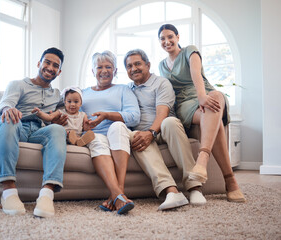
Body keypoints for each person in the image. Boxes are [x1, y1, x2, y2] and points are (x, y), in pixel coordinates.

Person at [157, 23, 245, 202]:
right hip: (184, 105)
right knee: (214, 118)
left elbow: (196, 73)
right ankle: (230, 181)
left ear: (178, 37)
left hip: (202, 93)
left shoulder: (190, 51)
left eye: (170, 37)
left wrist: (202, 96)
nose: (167, 41)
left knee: (215, 99)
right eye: (162, 39)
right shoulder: (162, 65)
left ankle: (202, 160)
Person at [119, 49, 207, 210]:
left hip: (163, 129)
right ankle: (171, 191)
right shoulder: (127, 89)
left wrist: (151, 133)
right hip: (142, 133)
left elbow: (162, 113)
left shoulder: (161, 82)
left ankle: (194, 187)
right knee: (135, 136)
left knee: (170, 122)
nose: (133, 69)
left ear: (148, 65)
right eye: (129, 66)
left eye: (137, 63)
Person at [0, 47, 67, 218]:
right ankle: (9, 193)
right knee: (8, 118)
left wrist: (60, 118)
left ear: (59, 71)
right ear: (39, 63)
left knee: (57, 129)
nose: (50, 68)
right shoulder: (18, 84)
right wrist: (7, 109)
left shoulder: (57, 94)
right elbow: (5, 103)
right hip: (18, 126)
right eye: (47, 62)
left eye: (55, 65)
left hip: (40, 131)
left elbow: (70, 108)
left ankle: (46, 195)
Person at [80, 50, 140, 214]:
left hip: (118, 132)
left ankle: (116, 192)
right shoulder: (82, 94)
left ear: (115, 70)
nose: (104, 70)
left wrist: (107, 115)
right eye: (99, 67)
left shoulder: (123, 90)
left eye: (108, 67)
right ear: (93, 71)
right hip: (95, 134)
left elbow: (134, 116)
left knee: (117, 126)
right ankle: (119, 196)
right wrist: (82, 124)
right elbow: (75, 118)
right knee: (97, 140)